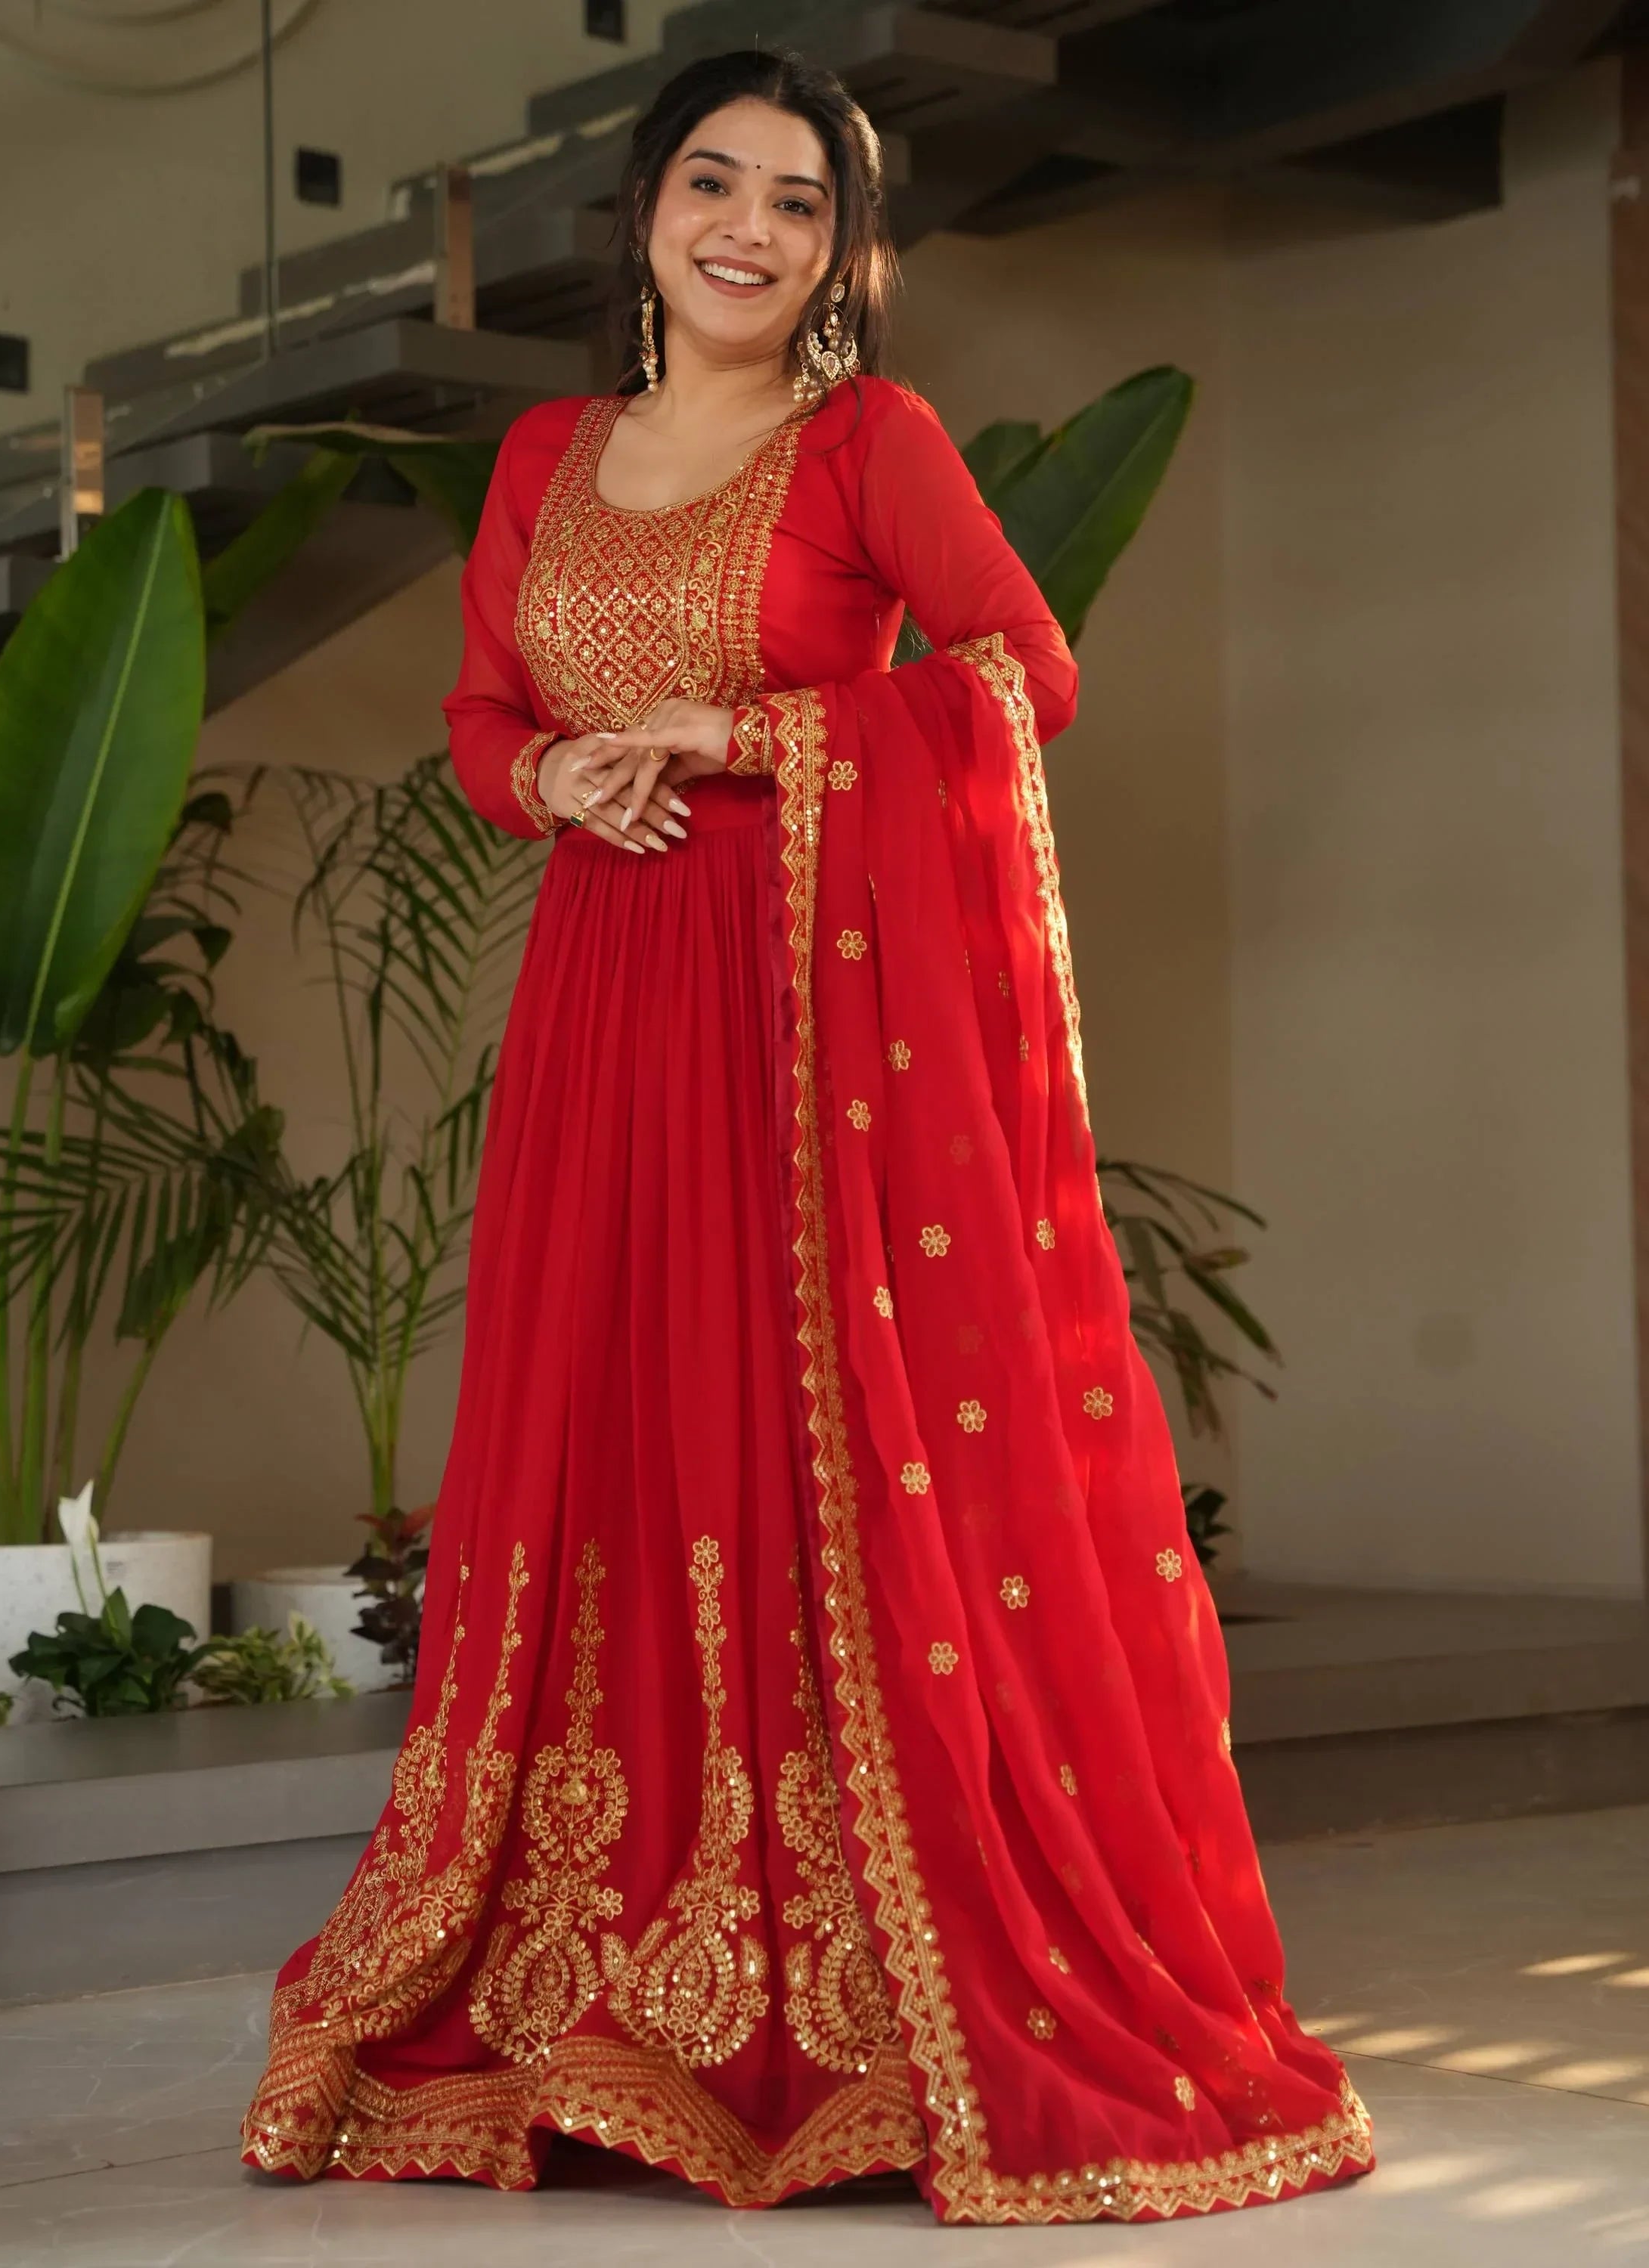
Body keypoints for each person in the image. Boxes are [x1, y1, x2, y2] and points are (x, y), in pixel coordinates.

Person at [240, 45, 1373, 2225]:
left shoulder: (870, 441)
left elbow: (1015, 671)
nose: (748, 229)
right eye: (710, 183)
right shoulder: (547, 459)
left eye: (797, 202)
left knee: (803, 1440)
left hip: (804, 1044)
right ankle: (598, 1980)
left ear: (844, 252)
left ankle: (861, 1995)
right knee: (615, 1431)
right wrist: (546, 779)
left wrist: (740, 733)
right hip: (604, 1022)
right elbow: (485, 713)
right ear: (640, 211)